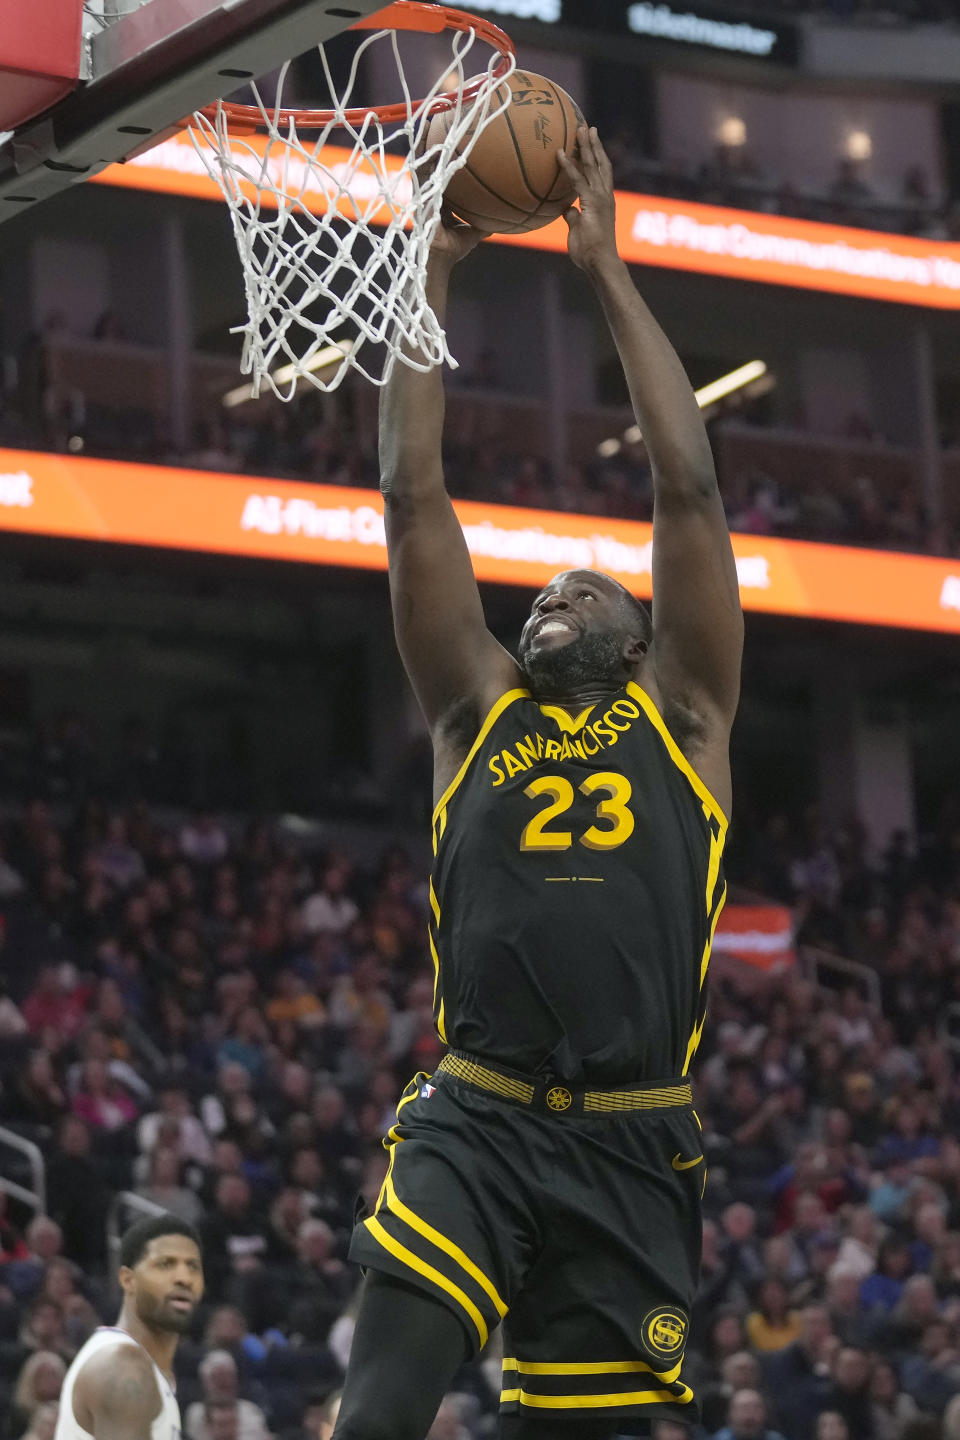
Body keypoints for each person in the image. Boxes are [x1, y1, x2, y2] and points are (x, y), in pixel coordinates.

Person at [333, 126, 743, 1439]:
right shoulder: (477, 706)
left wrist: (602, 263)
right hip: (484, 1112)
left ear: (636, 638)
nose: (550, 592)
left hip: (632, 1133)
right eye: (540, 593)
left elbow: (689, 487)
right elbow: (412, 496)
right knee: (381, 1409)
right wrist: (429, 271)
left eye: (583, 588)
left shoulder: (686, 713)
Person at [54, 1213, 203, 1440]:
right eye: (165, 1264)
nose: (183, 1278)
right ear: (128, 1280)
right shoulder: (123, 1366)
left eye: (192, 1266)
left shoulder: (143, 1366)